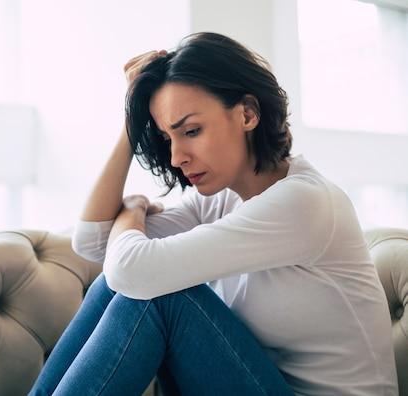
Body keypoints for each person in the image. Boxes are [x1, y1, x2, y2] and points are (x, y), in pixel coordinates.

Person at [29, 32, 398, 395]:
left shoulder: (306, 203)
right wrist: (132, 123)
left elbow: (130, 268)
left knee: (161, 294)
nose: (176, 157)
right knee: (125, 282)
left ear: (248, 114)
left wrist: (135, 206)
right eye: (166, 137)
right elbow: (93, 242)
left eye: (191, 130)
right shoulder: (220, 200)